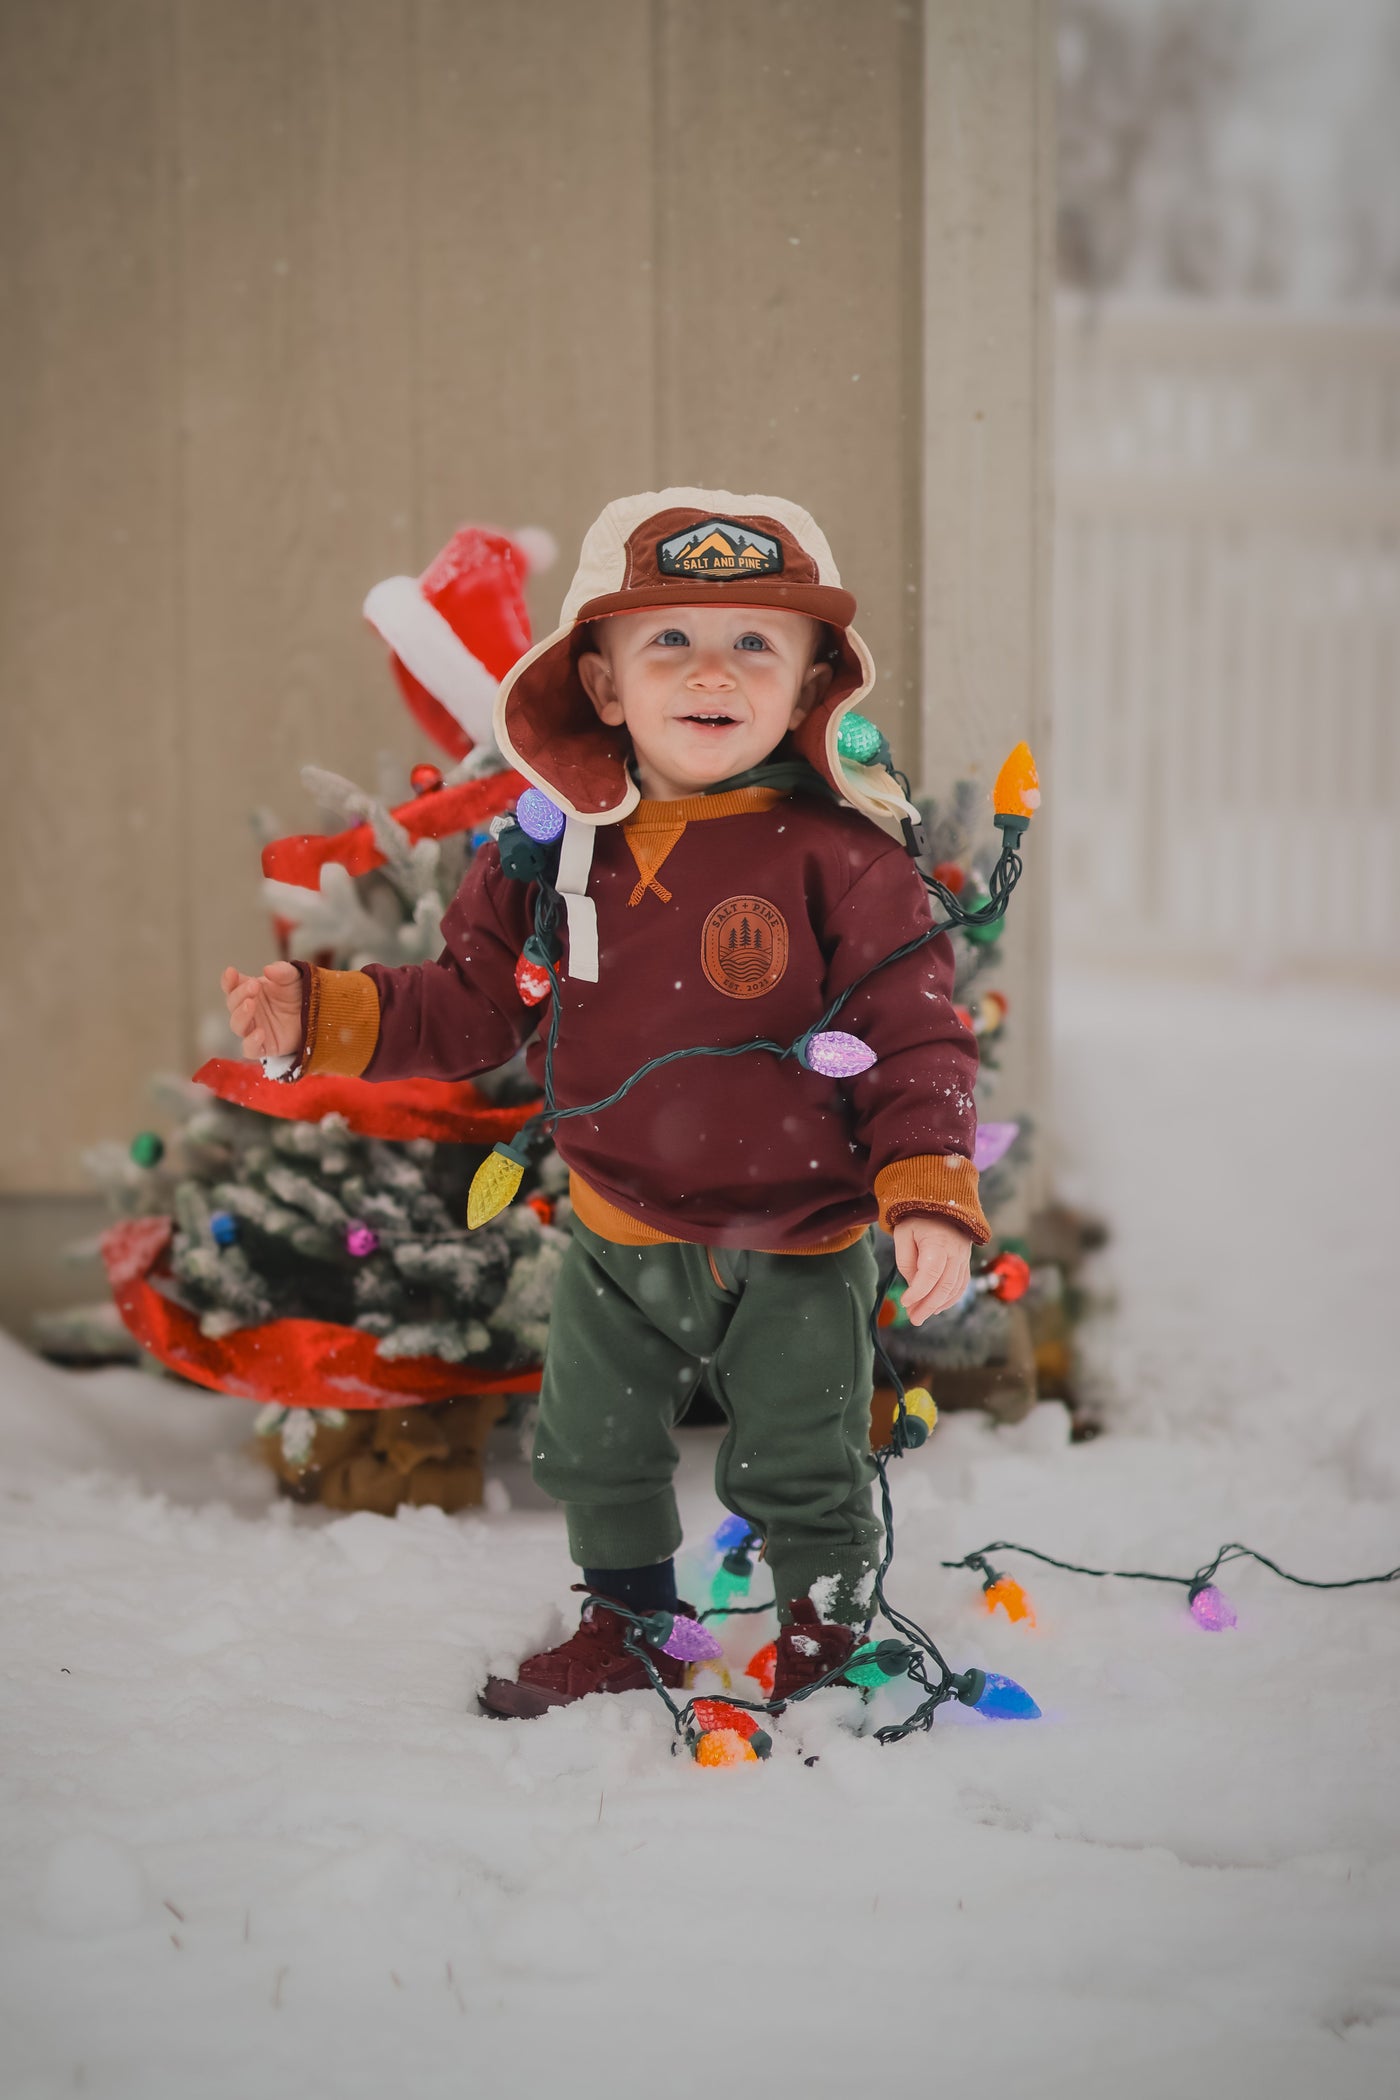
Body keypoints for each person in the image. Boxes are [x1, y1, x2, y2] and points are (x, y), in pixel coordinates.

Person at [222, 488, 989, 1719]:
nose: (710, 670)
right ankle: (629, 1626)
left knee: (804, 1452)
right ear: (603, 683)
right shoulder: (549, 853)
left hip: (799, 1238)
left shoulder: (843, 858)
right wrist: (325, 1016)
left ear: (808, 686)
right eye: (667, 639)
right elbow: (470, 1005)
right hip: (618, 1227)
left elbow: (913, 1035)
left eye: (753, 642)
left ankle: (828, 1634)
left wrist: (930, 1189)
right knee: (593, 1442)